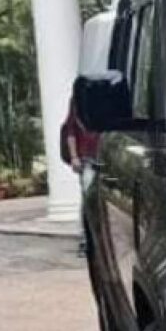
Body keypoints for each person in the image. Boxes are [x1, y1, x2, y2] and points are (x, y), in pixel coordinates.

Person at [59, 88, 99, 256]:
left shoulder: (107, 99)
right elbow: (70, 132)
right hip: (87, 158)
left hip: (102, 154)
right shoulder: (77, 102)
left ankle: (96, 239)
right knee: (88, 198)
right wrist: (74, 156)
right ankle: (85, 240)